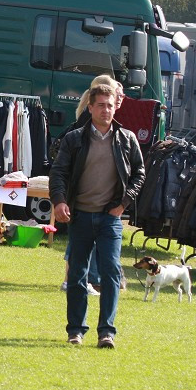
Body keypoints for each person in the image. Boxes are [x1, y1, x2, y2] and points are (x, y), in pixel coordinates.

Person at [49, 84, 145, 349]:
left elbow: (139, 173)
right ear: (90, 107)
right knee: (77, 274)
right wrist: (59, 201)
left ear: (116, 108)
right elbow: (58, 173)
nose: (106, 110)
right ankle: (76, 331)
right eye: (100, 105)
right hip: (80, 216)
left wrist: (123, 203)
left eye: (110, 105)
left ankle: (107, 333)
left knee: (110, 273)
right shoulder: (74, 138)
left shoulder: (127, 139)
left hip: (110, 219)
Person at [60, 75, 125, 293]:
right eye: (118, 94)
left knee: (84, 244)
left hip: (94, 201)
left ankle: (82, 280)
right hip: (80, 197)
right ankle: (72, 280)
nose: (119, 100)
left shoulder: (112, 129)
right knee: (78, 244)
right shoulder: (83, 127)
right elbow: (63, 168)